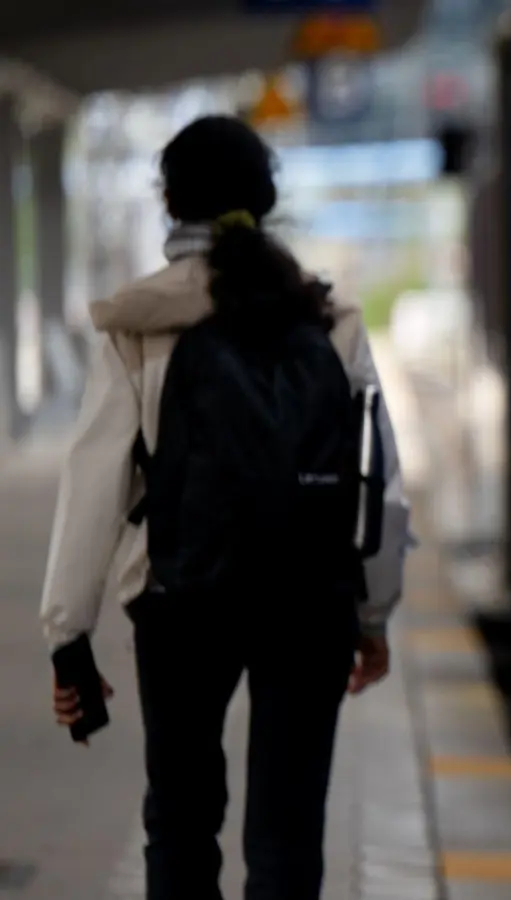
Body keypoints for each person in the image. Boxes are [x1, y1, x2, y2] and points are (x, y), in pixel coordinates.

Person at [38, 115, 412, 900]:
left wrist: (69, 637)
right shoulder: (327, 320)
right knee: (286, 839)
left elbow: (94, 482)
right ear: (265, 199)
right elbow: (381, 486)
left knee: (179, 822)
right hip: (309, 604)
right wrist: (372, 617)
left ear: (171, 202)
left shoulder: (137, 324)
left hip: (180, 605)